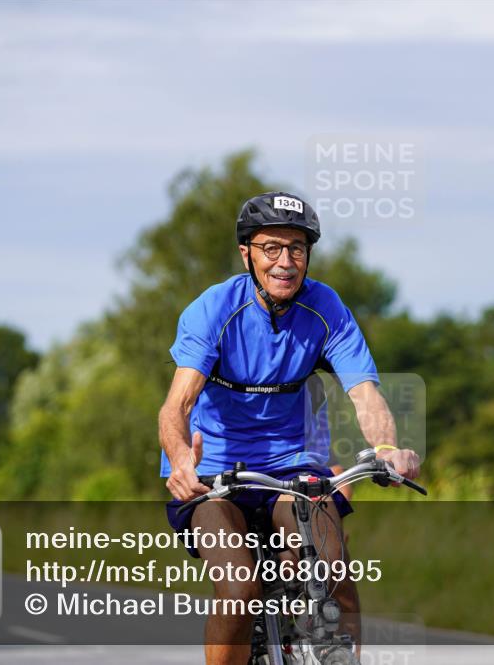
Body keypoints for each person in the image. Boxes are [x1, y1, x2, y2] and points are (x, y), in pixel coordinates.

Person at [159, 191, 420, 665]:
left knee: (331, 568)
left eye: (296, 248)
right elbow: (177, 405)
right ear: (247, 254)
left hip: (294, 463)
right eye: (271, 248)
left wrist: (386, 446)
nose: (285, 262)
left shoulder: (326, 308)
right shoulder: (214, 310)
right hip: (214, 469)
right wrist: (180, 459)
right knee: (239, 588)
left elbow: (364, 393)